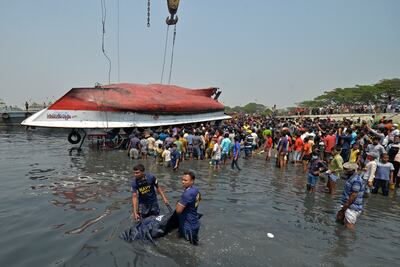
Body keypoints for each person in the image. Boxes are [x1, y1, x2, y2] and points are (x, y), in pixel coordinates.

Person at [176, 170, 201, 245]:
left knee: (187, 246)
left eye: (185, 180)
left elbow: (178, 211)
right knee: (194, 244)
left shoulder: (187, 194)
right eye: (182, 180)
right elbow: (197, 201)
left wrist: (178, 202)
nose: (183, 182)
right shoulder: (196, 190)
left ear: (192, 181)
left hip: (188, 225)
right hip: (195, 222)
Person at [336, 162, 365, 230]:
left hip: (352, 206)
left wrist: (345, 206)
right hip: (346, 204)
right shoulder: (351, 178)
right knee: (339, 219)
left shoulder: (357, 180)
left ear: (353, 170)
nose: (345, 171)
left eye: (347, 170)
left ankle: (349, 239)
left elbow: (354, 195)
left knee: (349, 225)